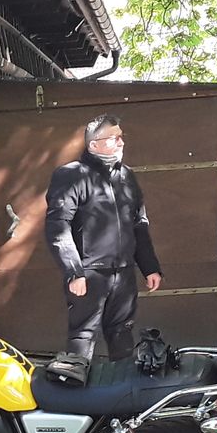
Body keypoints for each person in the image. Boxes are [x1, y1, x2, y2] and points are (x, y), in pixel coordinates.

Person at [43, 114, 162, 364]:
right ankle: (75, 385)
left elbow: (139, 224)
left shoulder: (126, 176)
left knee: (122, 333)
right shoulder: (71, 175)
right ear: (94, 144)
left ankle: (122, 385)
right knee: (83, 334)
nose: (121, 142)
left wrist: (150, 267)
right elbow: (58, 225)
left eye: (121, 137)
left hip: (124, 272)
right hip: (89, 273)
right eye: (114, 137)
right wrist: (74, 272)